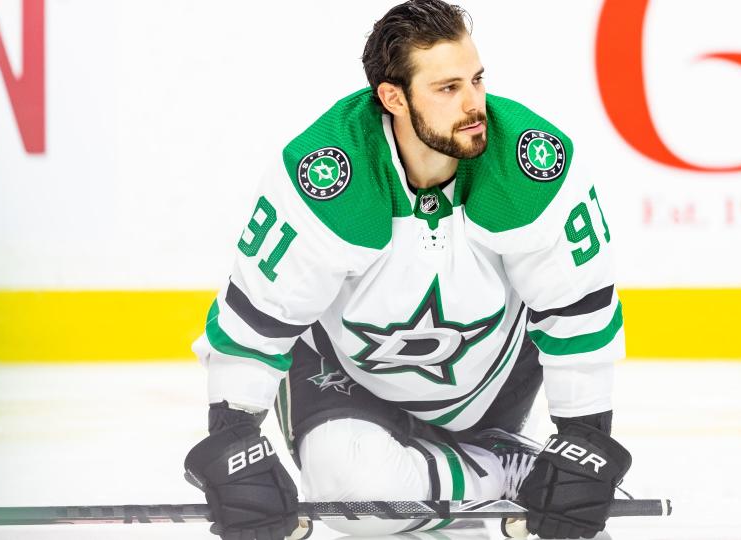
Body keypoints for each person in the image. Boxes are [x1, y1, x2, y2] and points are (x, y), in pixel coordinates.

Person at [183, 1, 632, 538]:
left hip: (491, 386)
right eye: (447, 88)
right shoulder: (327, 176)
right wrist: (234, 442)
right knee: (352, 499)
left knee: (373, 502)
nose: (474, 104)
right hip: (344, 378)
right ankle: (495, 472)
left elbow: (579, 308)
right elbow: (257, 320)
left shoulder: (530, 162)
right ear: (393, 98)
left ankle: (506, 457)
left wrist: (583, 438)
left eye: (477, 79)